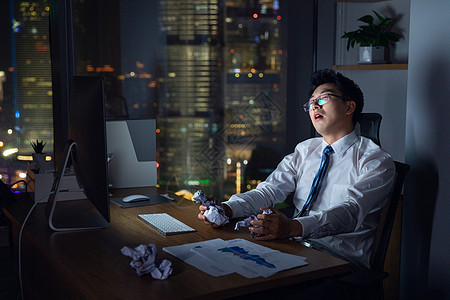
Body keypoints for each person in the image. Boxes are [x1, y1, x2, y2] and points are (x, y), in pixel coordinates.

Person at [198, 69, 395, 270]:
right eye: (311, 102)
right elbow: (269, 191)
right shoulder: (305, 150)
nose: (315, 105)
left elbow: (350, 212)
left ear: (349, 107)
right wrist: (227, 209)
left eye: (323, 98)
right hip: (292, 247)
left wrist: (293, 227)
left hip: (339, 262)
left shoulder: (375, 161)